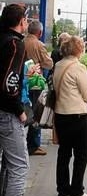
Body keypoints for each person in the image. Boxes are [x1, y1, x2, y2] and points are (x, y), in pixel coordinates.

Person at [0, 3, 30, 196]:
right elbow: (10, 83)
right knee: (18, 168)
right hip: (7, 114)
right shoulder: (15, 44)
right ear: (20, 22)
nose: (27, 24)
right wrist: (20, 110)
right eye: (26, 20)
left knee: (5, 167)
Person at [53, 35, 87, 196]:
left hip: (60, 114)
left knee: (64, 153)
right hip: (77, 115)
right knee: (81, 154)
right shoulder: (79, 67)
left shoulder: (58, 65)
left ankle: (63, 190)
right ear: (79, 49)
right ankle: (77, 190)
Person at [24, 20, 54, 156]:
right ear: (40, 32)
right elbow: (49, 63)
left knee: (25, 110)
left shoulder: (21, 41)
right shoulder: (39, 44)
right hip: (35, 82)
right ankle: (34, 145)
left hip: (23, 80)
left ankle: (24, 142)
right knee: (36, 112)